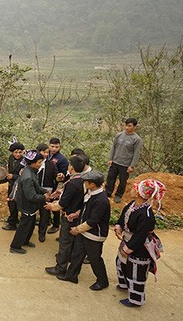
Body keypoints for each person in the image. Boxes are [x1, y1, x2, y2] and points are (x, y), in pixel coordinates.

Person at [115, 179, 166, 307]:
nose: (131, 190)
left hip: (139, 248)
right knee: (121, 263)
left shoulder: (146, 214)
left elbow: (140, 236)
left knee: (136, 272)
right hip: (128, 241)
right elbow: (123, 217)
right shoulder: (132, 205)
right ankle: (125, 285)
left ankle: (136, 299)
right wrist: (119, 227)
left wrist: (128, 248)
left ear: (139, 193)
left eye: (134, 188)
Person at [58, 170, 110, 290]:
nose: (84, 183)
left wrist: (77, 229)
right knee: (77, 253)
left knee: (94, 258)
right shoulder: (90, 193)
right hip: (84, 231)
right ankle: (71, 276)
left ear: (92, 184)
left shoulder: (101, 200)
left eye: (86, 182)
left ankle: (102, 281)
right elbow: (85, 209)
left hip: (94, 234)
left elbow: (93, 221)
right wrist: (77, 214)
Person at [44, 155, 86, 276]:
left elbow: (63, 203)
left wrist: (52, 206)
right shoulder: (82, 180)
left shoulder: (72, 183)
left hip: (68, 216)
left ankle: (60, 267)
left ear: (71, 167)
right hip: (77, 215)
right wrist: (61, 192)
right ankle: (69, 260)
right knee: (71, 242)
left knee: (65, 242)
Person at [9, 150, 51, 254]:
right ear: (32, 163)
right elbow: (31, 196)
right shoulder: (27, 176)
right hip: (26, 205)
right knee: (24, 225)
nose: (40, 164)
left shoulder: (31, 171)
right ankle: (15, 246)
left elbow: (36, 187)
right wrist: (44, 197)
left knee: (31, 224)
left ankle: (25, 241)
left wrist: (44, 191)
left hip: (30, 206)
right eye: (39, 162)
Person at [106, 118, 142, 203]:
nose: (127, 128)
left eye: (129, 126)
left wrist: (132, 166)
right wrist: (110, 158)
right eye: (126, 125)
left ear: (134, 127)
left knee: (122, 181)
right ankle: (108, 193)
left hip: (125, 164)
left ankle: (118, 195)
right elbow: (113, 147)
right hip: (115, 161)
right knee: (110, 178)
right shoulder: (119, 135)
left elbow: (136, 154)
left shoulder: (137, 139)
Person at [36, 143, 59, 242]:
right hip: (34, 192)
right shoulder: (32, 163)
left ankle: (42, 233)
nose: (45, 154)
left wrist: (59, 177)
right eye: (43, 152)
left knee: (44, 215)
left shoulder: (51, 164)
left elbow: (56, 177)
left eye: (47, 152)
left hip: (47, 194)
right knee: (31, 213)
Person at [2, 142, 25, 231]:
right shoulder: (11, 158)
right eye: (15, 152)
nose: (18, 154)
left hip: (20, 187)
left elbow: (25, 175)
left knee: (20, 205)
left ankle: (19, 223)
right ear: (12, 152)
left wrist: (14, 176)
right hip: (11, 185)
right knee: (11, 203)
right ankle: (12, 222)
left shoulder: (25, 161)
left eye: (20, 152)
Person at [48, 137, 69, 233]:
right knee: (46, 203)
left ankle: (56, 225)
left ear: (60, 147)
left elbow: (64, 176)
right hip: (46, 184)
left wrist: (61, 179)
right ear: (49, 145)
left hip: (55, 186)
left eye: (56, 147)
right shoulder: (46, 154)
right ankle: (47, 221)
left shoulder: (62, 159)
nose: (54, 149)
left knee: (55, 205)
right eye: (52, 146)